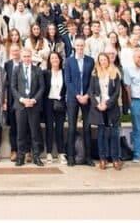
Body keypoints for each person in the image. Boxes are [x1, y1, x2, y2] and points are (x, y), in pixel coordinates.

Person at [88, 52, 122, 170]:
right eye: (101, 60)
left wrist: (107, 104)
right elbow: (91, 91)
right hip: (99, 107)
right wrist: (98, 104)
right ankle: (103, 159)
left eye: (105, 60)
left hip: (111, 107)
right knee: (101, 134)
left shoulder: (115, 73)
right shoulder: (95, 74)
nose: (103, 62)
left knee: (114, 133)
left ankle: (115, 159)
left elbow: (117, 92)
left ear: (108, 60)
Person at [64, 36, 95, 166]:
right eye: (78, 45)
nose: (80, 48)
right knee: (72, 128)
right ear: (74, 46)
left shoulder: (90, 61)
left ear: (85, 46)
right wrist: (77, 95)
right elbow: (68, 81)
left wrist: (87, 95)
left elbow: (93, 81)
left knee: (87, 128)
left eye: (82, 45)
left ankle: (88, 157)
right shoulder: (69, 61)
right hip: (73, 98)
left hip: (87, 98)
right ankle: (71, 156)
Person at [43, 50, 67, 164]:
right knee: (49, 128)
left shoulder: (65, 72)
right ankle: (49, 153)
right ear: (49, 61)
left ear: (60, 60)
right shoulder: (46, 73)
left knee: (60, 128)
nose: (54, 60)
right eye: (52, 58)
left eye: (56, 58)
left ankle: (61, 153)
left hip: (60, 102)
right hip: (49, 102)